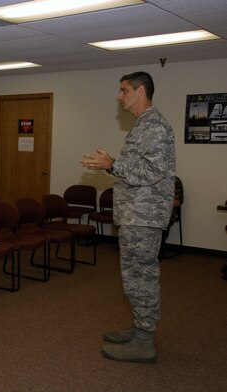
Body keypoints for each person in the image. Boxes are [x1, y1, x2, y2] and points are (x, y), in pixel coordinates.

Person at [81, 71, 175, 364]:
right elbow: (137, 170)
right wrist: (114, 166)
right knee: (133, 277)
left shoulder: (155, 126)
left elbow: (152, 172)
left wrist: (113, 165)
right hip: (135, 215)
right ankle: (139, 329)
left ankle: (145, 341)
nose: (119, 96)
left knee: (141, 277)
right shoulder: (142, 126)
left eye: (123, 90)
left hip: (144, 217)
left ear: (140, 91)